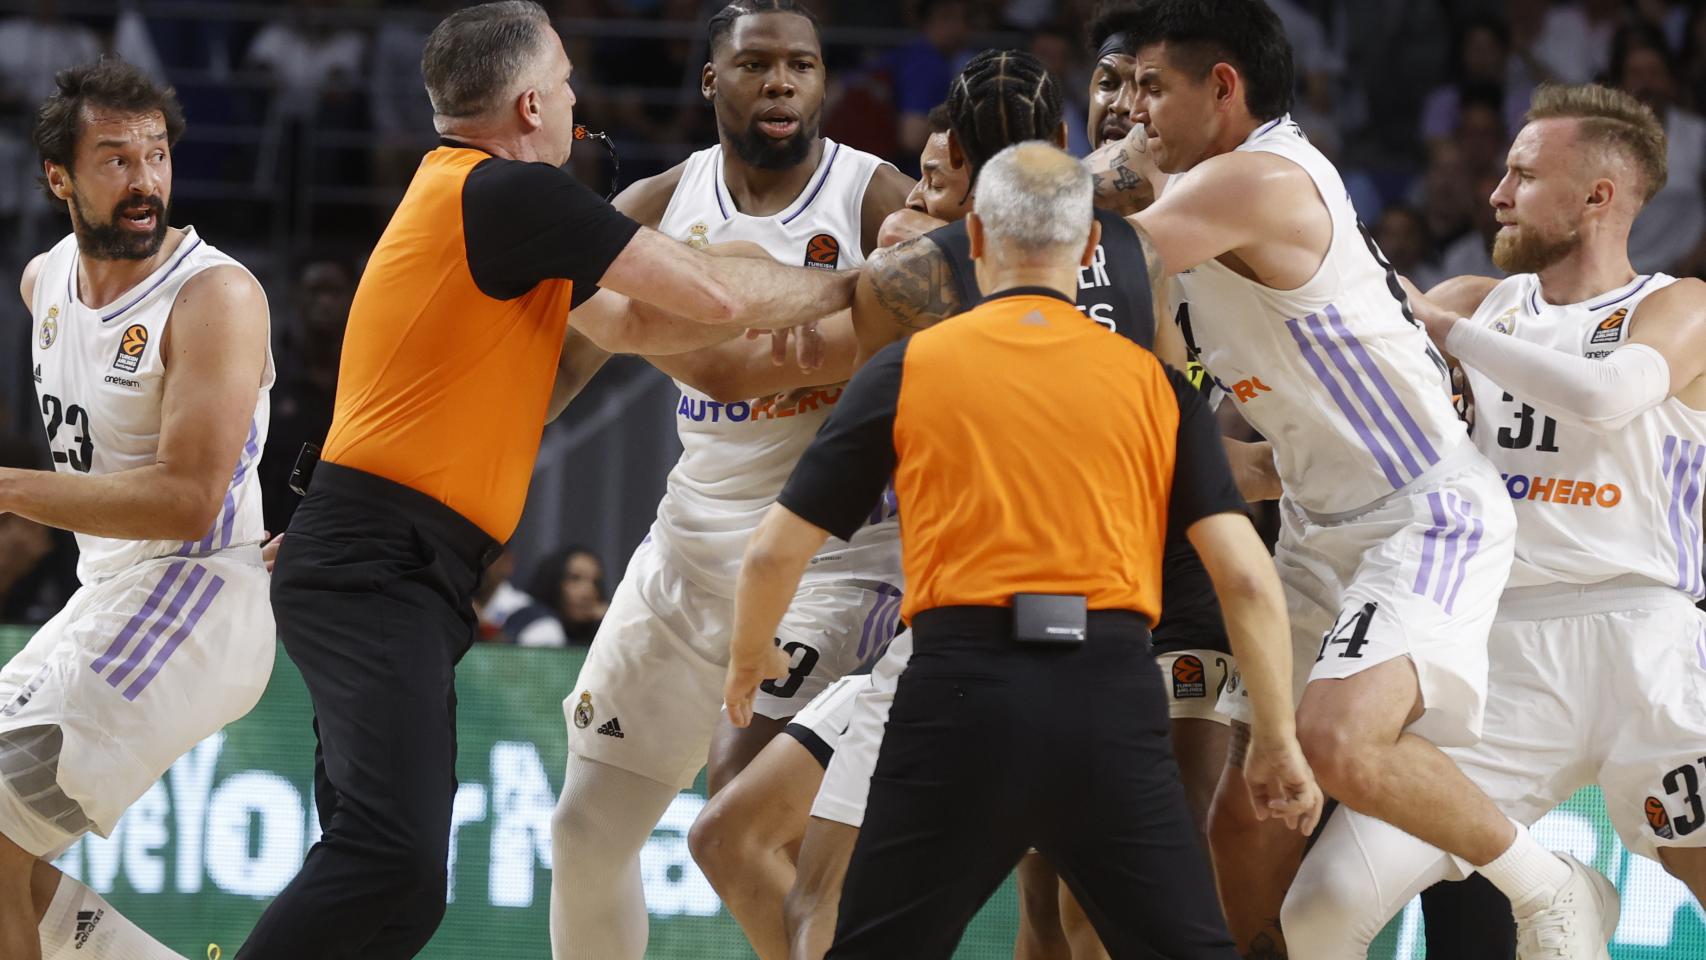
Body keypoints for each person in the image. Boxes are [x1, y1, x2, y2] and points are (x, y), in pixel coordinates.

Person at [238, 3, 861, 958]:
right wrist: (860, 288)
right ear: (532, 104)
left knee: (402, 892)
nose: (580, 100)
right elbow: (718, 298)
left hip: (396, 560)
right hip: (376, 559)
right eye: (567, 82)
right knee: (389, 862)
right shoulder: (508, 196)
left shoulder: (491, 214)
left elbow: (650, 327)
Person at [1082, 1, 1605, 955]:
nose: (1135, 109)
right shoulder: (1195, 175)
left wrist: (962, 218)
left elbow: (1091, 256)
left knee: (1331, 741)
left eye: (1154, 86)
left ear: (1224, 88)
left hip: (1424, 510)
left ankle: (1548, 885)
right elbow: (1096, 188)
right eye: (1123, 86)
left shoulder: (1255, 179)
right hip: (1318, 529)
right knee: (1245, 826)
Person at [724, 141, 1321, 959]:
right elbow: (1246, 579)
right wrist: (1279, 739)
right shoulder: (1155, 385)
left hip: (959, 694)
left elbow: (770, 555)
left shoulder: (912, 365)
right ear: (1085, 249)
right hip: (1108, 693)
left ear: (973, 243)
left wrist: (744, 660)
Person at [1283, 81, 1706, 958]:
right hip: (1502, 647)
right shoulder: (1480, 300)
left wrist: (1440, 326)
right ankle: (1562, 891)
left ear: (1597, 196)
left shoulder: (1678, 305)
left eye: (1521, 173)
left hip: (1648, 644)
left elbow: (1607, 393)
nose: (1496, 194)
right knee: (1318, 909)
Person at [547, 3, 914, 957]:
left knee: (747, 827)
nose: (782, 82)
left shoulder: (878, 199)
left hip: (834, 556)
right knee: (584, 832)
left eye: (802, 65)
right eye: (756, 65)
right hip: (689, 548)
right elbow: (552, 377)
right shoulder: (662, 204)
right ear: (713, 80)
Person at [1, 57, 275, 960]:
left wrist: (6, 488)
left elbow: (190, 500)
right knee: (14, 867)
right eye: (115, 159)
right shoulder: (44, 283)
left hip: (194, 595)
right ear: (58, 177)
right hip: (107, 596)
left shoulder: (214, 296)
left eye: (156, 155)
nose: (144, 180)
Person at [525, 544, 607, 645]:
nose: (588, 592)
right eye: (575, 578)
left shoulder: (606, 627)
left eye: (595, 582)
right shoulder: (532, 627)